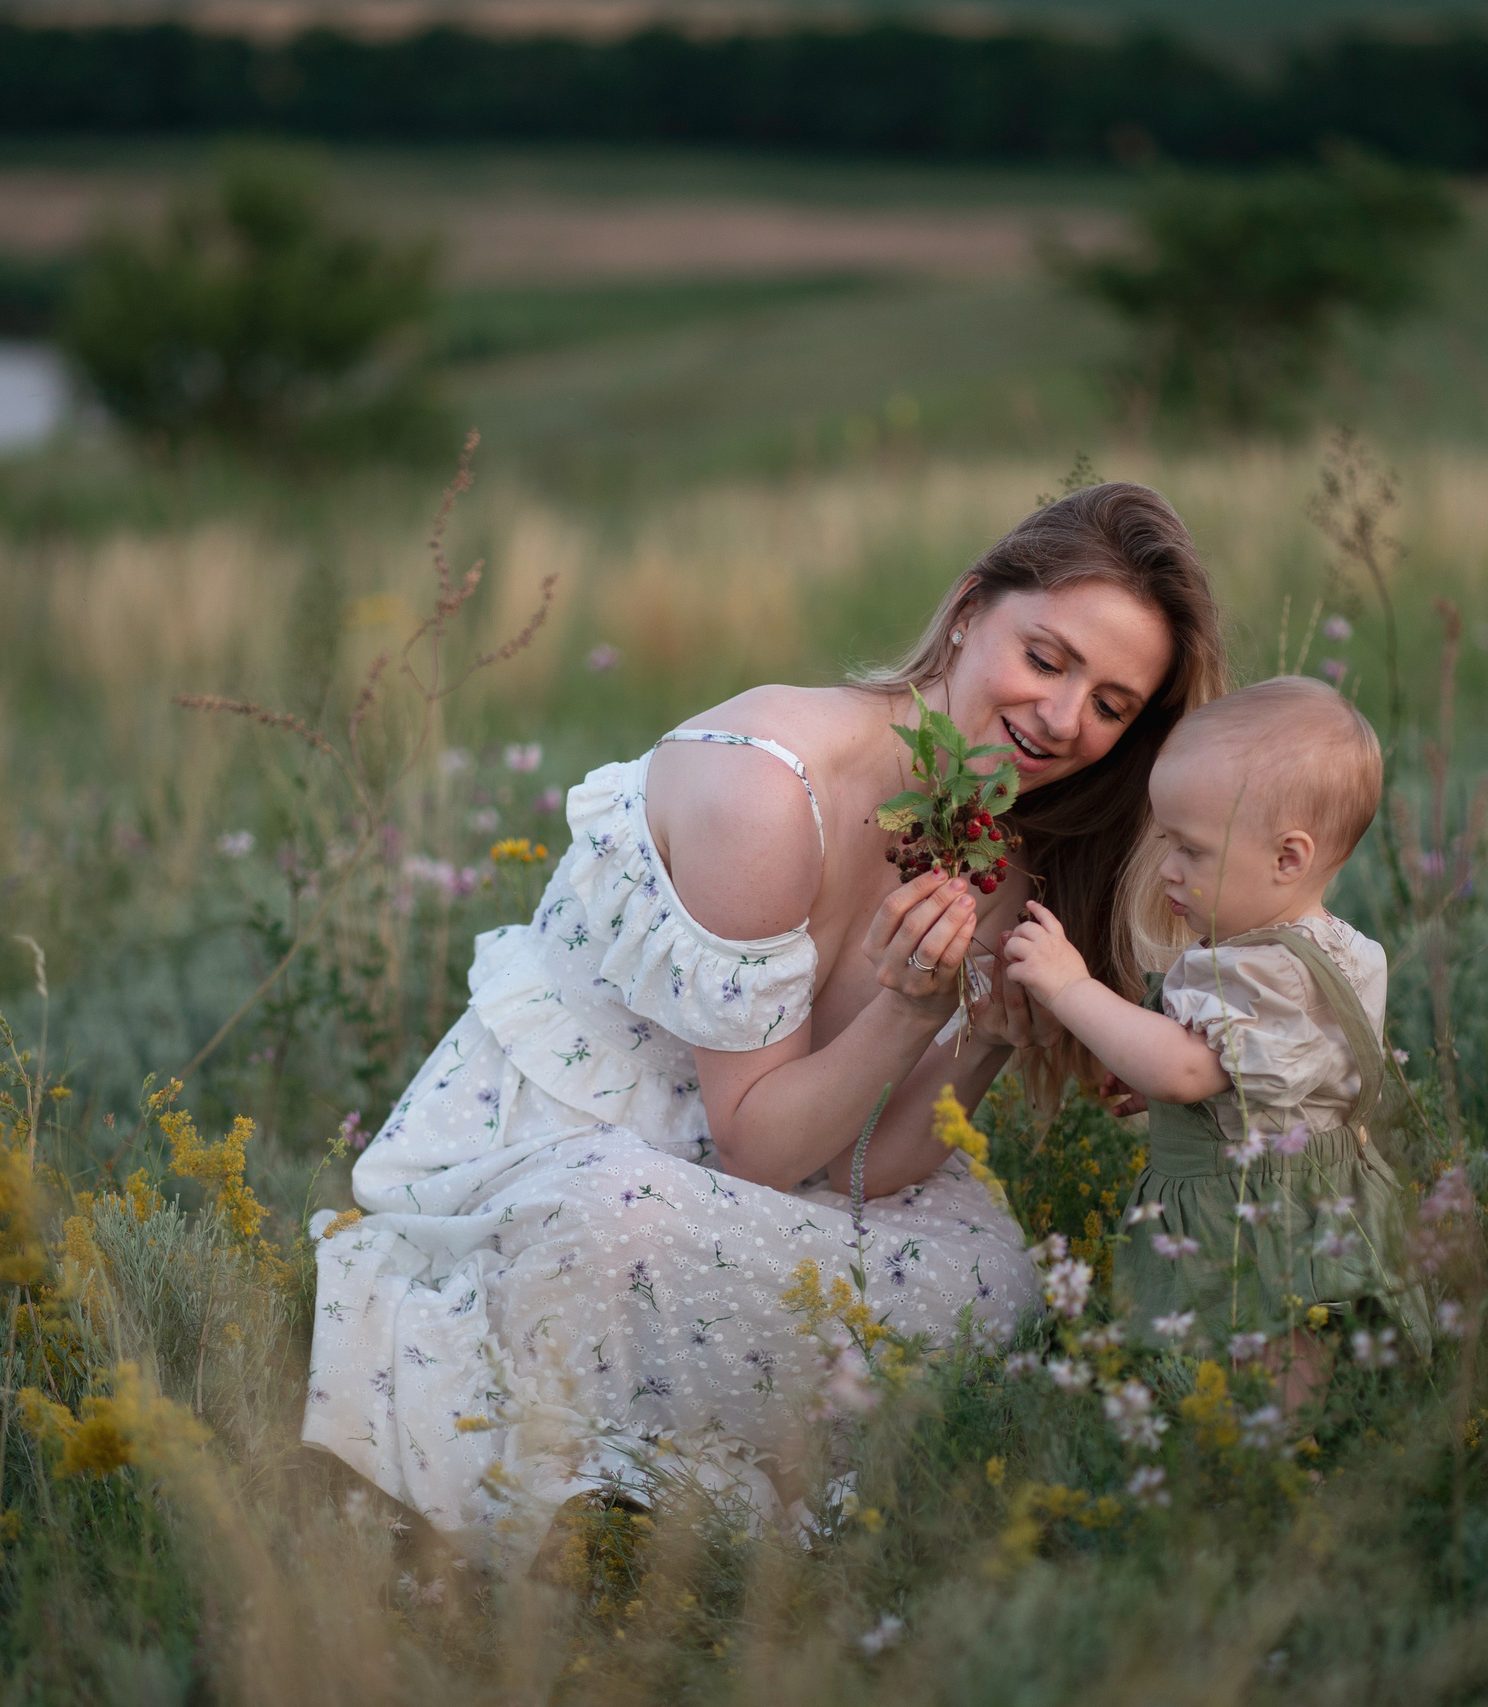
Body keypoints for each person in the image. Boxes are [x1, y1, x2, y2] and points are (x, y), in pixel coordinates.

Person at [303, 483, 1226, 1562]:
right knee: (614, 1223)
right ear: (973, 607)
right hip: (586, 1146)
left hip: (775, 1186)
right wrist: (905, 1013)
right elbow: (752, 1146)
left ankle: (670, 1496)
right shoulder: (768, 788)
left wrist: (982, 1033)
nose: (1065, 721)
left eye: (1112, 706)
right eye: (1048, 658)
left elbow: (857, 1167)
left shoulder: (1000, 853)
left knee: (997, 1286)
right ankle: (622, 1494)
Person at [1000, 675, 1423, 1414]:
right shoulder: (1333, 948)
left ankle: (1277, 1465)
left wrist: (1069, 987)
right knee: (1276, 1343)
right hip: (1299, 1187)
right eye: (1167, 840)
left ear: (1288, 858)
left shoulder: (1257, 969)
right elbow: (1249, 1076)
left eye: (1191, 849)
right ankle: (1276, 1448)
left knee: (1264, 1345)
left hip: (1254, 1207)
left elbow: (1188, 1070)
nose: (1166, 867)